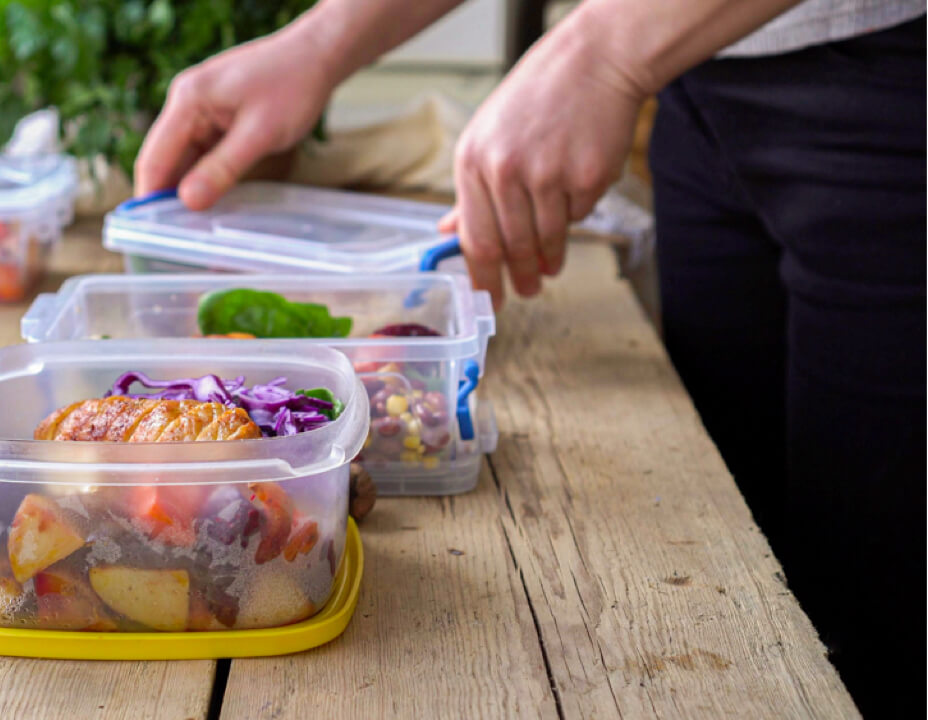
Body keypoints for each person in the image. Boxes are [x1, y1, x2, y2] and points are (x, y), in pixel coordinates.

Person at [134, 0, 926, 713]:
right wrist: (321, 43)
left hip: (892, 83)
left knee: (875, 600)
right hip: (697, 77)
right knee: (754, 565)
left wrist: (606, 47)